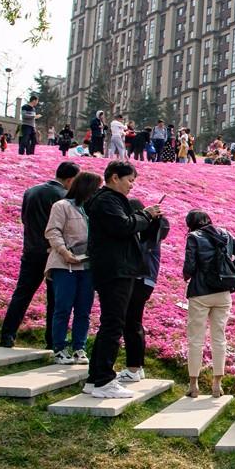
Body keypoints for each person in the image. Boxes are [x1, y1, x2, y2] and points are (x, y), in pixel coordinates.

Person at [83, 161, 163, 399]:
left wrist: (147, 218)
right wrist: (145, 214)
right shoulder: (106, 200)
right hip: (115, 270)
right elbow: (123, 226)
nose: (131, 186)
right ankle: (104, 380)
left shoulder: (111, 200)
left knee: (111, 323)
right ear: (115, 177)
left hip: (117, 269)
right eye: (129, 180)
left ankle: (95, 378)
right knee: (113, 324)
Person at [0, 161, 79, 349]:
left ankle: (7, 335)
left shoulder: (31, 191)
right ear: (70, 180)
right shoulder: (65, 197)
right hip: (53, 254)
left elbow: (24, 219)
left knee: (22, 293)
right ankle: (52, 340)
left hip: (31, 250)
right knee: (55, 299)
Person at [183, 209, 235, 398]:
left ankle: (193, 385)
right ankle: (217, 385)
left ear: (191, 224)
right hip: (223, 293)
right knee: (219, 338)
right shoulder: (225, 234)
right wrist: (231, 271)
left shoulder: (194, 237)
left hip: (200, 293)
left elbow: (190, 265)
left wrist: (189, 276)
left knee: (196, 338)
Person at [44, 171, 101, 364]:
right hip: (64, 264)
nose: (97, 192)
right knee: (63, 308)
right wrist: (63, 251)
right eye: (96, 188)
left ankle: (79, 348)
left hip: (87, 265)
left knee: (83, 310)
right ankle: (59, 348)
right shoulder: (62, 206)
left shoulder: (92, 209)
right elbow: (53, 231)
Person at [115, 197, 170, 384]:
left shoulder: (146, 229)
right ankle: (137, 367)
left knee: (131, 322)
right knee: (133, 322)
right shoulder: (153, 228)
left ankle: (133, 368)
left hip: (140, 278)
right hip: (147, 280)